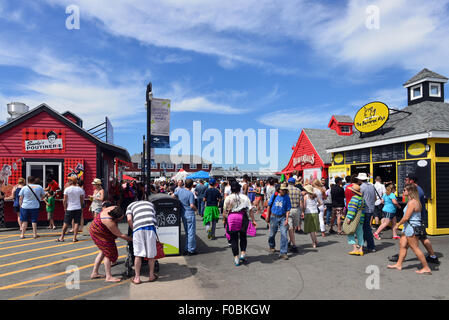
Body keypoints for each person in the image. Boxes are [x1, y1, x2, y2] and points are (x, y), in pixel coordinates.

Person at [388, 174, 439, 264]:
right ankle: (432, 256)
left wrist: (399, 223)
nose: (405, 181)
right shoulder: (417, 189)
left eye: (406, 179)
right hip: (417, 219)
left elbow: (413, 206)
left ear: (411, 181)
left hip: (416, 220)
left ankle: (426, 262)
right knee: (422, 238)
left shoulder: (416, 191)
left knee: (414, 241)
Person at [387, 184, 432, 275]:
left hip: (412, 228)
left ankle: (426, 267)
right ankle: (399, 264)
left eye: (404, 190)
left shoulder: (412, 203)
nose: (403, 192)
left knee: (415, 248)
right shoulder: (412, 201)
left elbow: (406, 217)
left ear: (410, 191)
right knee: (402, 245)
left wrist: (397, 225)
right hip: (408, 228)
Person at [89, 206, 132, 282]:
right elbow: (120, 235)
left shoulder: (114, 208)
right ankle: (108, 277)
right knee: (108, 253)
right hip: (98, 232)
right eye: (119, 219)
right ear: (114, 218)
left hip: (97, 228)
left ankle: (94, 273)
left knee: (103, 251)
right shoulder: (109, 221)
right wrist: (131, 239)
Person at [223, 180, 257, 266]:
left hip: (231, 218)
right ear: (239, 188)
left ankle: (236, 259)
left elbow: (225, 211)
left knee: (234, 239)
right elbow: (250, 210)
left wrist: (224, 220)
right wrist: (253, 220)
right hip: (242, 217)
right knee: (243, 236)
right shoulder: (245, 197)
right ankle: (243, 253)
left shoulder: (228, 198)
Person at [126, 199, 158, 284]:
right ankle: (151, 276)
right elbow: (154, 217)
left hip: (138, 228)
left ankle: (137, 278)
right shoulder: (150, 204)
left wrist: (134, 230)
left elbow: (129, 219)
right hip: (150, 227)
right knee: (151, 254)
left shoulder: (131, 205)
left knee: (138, 254)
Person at [266, 183, 291, 259]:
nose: (283, 191)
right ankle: (272, 246)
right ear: (279, 190)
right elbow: (269, 205)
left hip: (283, 217)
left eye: (285, 190)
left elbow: (288, 209)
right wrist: (267, 215)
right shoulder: (275, 195)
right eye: (282, 189)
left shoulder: (287, 197)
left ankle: (283, 252)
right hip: (273, 217)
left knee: (284, 235)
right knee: (272, 234)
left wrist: (287, 219)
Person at [174, 179, 198, 255]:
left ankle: (186, 248)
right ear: (191, 186)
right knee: (191, 232)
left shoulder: (180, 190)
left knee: (187, 232)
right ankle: (190, 250)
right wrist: (196, 209)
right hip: (189, 213)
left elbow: (173, 195)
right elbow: (191, 205)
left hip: (183, 213)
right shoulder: (190, 194)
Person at [57, 176, 85, 242]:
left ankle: (62, 237)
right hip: (78, 208)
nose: (68, 182)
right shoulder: (80, 189)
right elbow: (81, 199)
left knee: (66, 223)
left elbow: (64, 200)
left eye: (69, 180)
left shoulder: (67, 189)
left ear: (72, 182)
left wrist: (64, 207)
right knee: (76, 223)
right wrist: (81, 207)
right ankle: (74, 238)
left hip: (70, 208)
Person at [357, 173, 376, 253]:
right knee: (365, 227)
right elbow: (375, 198)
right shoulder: (371, 186)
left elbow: (359, 199)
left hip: (365, 210)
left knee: (366, 228)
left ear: (360, 179)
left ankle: (371, 246)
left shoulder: (361, 188)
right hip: (371, 208)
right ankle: (362, 243)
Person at [345, 184, 366, 256]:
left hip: (354, 219)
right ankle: (360, 250)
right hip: (360, 219)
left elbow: (352, 209)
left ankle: (355, 249)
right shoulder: (362, 198)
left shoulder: (354, 198)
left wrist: (349, 218)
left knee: (349, 232)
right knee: (360, 234)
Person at [287, 178, 301, 253]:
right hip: (296, 209)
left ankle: (293, 243)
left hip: (288, 210)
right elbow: (301, 201)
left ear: (288, 182)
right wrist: (302, 211)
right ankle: (290, 240)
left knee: (290, 227)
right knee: (294, 226)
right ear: (294, 182)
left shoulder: (285, 190)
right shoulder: (298, 190)